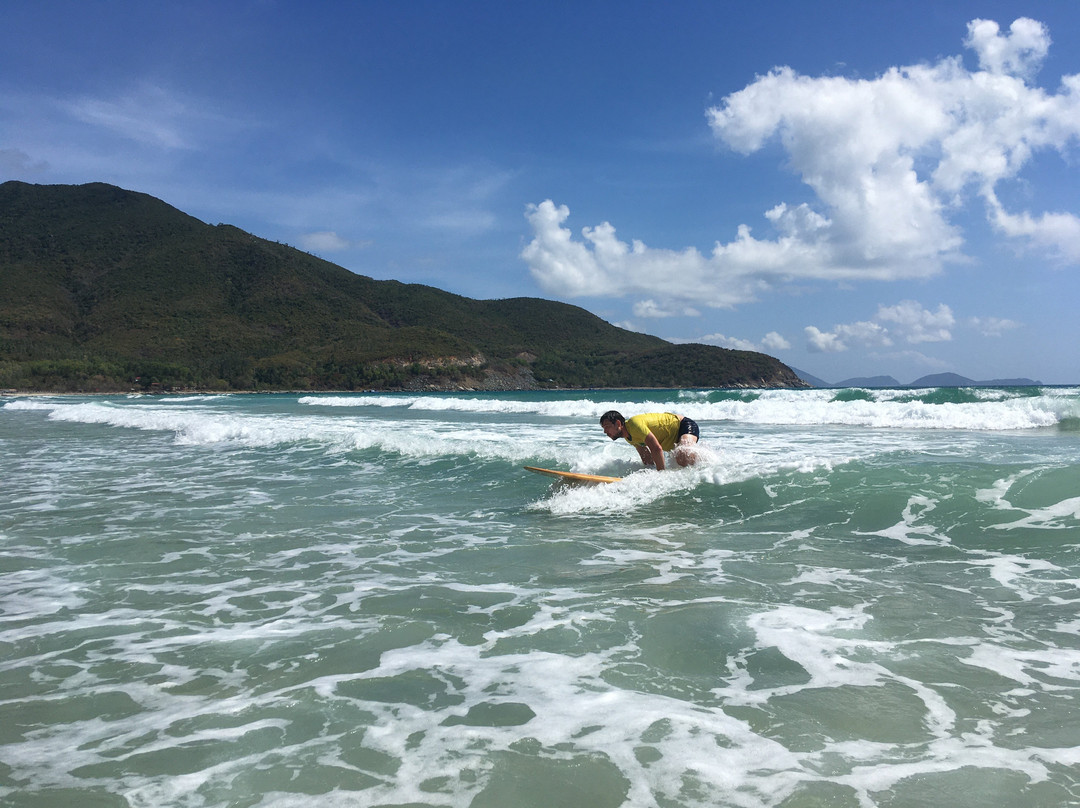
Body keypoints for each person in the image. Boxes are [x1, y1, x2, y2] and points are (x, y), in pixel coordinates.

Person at [599, 410, 699, 471]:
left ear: (618, 423)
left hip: (683, 425)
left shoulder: (634, 425)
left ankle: (706, 468)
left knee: (683, 454)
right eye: (603, 428)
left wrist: (661, 475)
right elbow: (647, 459)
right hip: (674, 438)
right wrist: (649, 474)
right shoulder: (629, 438)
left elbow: (656, 448)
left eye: (607, 427)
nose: (605, 431)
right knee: (679, 461)